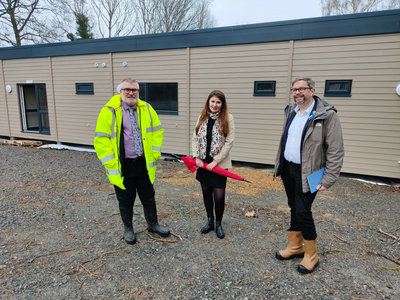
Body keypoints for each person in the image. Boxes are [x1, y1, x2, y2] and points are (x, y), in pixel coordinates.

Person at [274, 77, 344, 273]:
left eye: (301, 89)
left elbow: (336, 149)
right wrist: (280, 168)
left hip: (310, 172)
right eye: (294, 89)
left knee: (304, 211)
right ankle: (295, 247)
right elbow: (285, 140)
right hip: (289, 168)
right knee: (293, 207)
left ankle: (311, 255)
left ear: (312, 90)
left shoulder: (326, 115)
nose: (297, 92)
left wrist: (329, 178)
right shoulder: (291, 112)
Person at [94, 78, 170, 245]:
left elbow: (157, 131)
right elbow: (101, 140)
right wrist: (111, 163)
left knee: (148, 197)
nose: (131, 93)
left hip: (143, 163)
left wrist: (155, 152)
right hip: (123, 165)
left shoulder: (147, 109)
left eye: (134, 90)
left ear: (138, 92)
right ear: (120, 91)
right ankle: (128, 229)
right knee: (125, 199)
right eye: (127, 89)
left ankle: (153, 224)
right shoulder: (109, 111)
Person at [191, 90, 235, 239]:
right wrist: (196, 158)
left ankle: (219, 224)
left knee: (219, 196)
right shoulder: (202, 117)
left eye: (218, 102)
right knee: (206, 193)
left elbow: (229, 142)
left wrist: (216, 161)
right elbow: (194, 138)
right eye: (213, 101)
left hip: (219, 164)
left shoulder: (228, 118)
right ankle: (210, 221)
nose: (215, 105)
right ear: (208, 102)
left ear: (222, 104)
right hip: (203, 164)